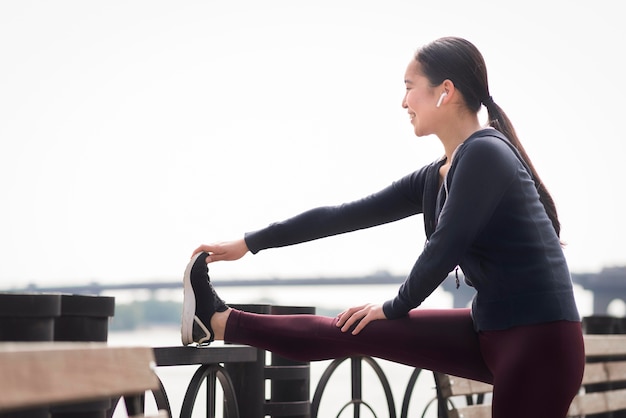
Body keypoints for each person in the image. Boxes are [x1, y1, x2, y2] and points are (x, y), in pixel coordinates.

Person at [181, 36, 584, 418]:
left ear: (445, 91)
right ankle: (217, 322)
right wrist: (250, 243)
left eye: (410, 87)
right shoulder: (436, 176)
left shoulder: (486, 153)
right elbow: (342, 215)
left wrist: (393, 307)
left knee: (368, 320)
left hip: (539, 341)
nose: (403, 101)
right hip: (490, 327)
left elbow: (446, 246)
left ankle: (219, 322)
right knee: (351, 329)